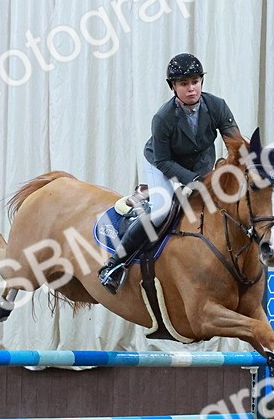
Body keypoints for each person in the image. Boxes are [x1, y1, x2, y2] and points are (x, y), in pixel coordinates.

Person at [98, 53, 241, 293]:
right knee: (161, 212)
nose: (191, 89)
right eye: (184, 84)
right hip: (162, 164)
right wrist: (193, 180)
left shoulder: (217, 105)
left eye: (195, 82)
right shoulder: (163, 118)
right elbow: (163, 160)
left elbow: (235, 145)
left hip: (200, 162)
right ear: (173, 87)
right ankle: (115, 265)